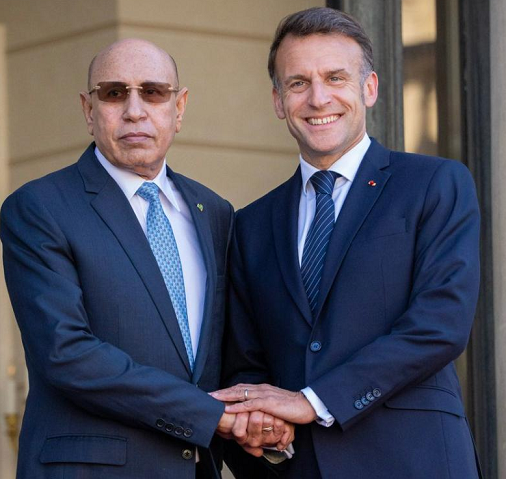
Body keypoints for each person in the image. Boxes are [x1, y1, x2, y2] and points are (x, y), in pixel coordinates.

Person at [1, 39, 292, 479]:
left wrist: (260, 418)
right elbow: (66, 353)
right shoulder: (40, 208)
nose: (134, 111)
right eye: (114, 93)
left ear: (179, 108)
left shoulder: (214, 212)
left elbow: (228, 355)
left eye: (153, 92)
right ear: (89, 110)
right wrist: (210, 416)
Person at [212, 7, 482, 479]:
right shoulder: (250, 225)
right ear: (278, 100)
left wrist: (313, 401)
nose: (318, 98)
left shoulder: (434, 184)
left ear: (369, 88)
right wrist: (261, 426)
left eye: (335, 78)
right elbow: (246, 367)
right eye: (298, 83)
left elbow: (440, 324)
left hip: (416, 463)